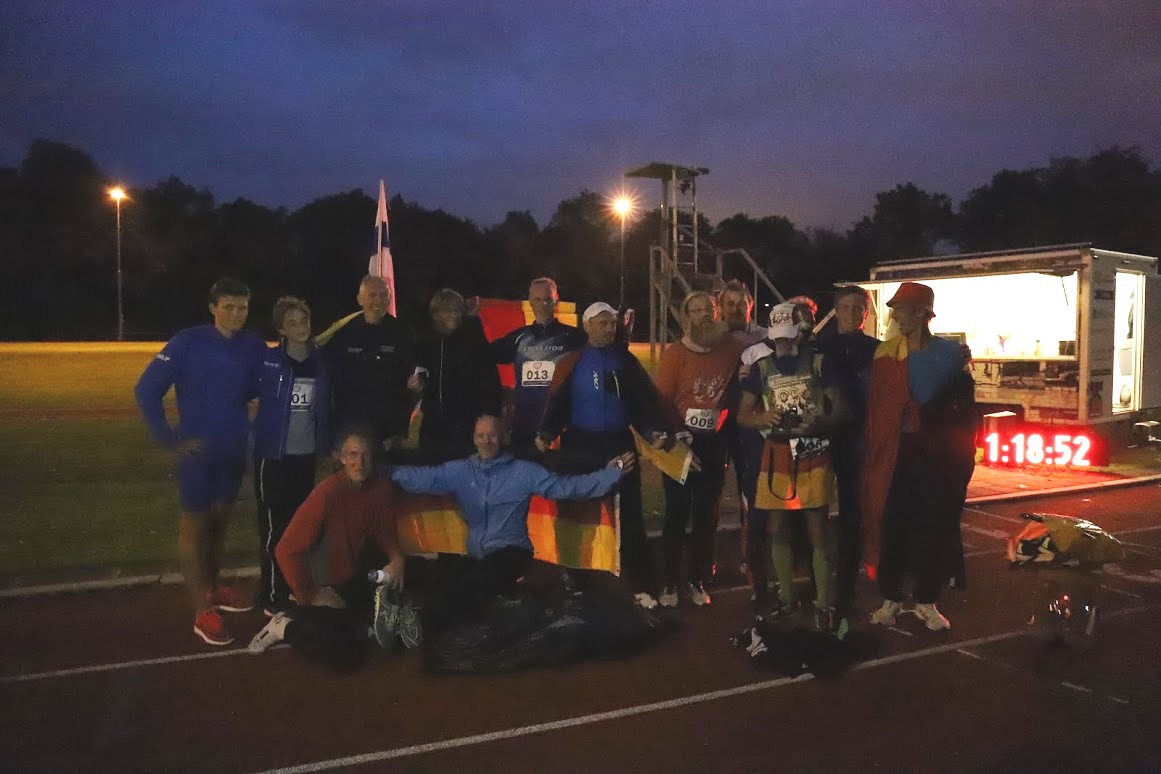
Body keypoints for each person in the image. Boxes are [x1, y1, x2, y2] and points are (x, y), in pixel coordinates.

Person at [390, 414, 634, 630]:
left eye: (492, 435)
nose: (486, 441)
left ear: (503, 437)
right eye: (481, 436)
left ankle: (439, 622)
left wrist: (609, 474)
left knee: (469, 589)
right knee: (450, 585)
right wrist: (381, 471)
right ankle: (422, 622)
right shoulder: (460, 471)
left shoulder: (523, 472)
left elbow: (567, 487)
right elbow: (421, 478)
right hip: (477, 557)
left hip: (512, 553)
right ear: (474, 439)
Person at [135, 277, 267, 646]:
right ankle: (201, 611)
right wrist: (170, 439)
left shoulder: (254, 346)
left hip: (234, 450)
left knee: (219, 522)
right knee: (194, 526)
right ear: (213, 308)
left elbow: (265, 385)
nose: (236, 314)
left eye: (242, 307)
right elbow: (146, 390)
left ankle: (212, 587)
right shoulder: (187, 342)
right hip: (198, 453)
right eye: (229, 307)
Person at [537, 302, 672, 609]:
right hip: (579, 446)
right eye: (603, 323)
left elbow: (643, 402)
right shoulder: (571, 362)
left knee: (630, 516)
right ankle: (578, 578)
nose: (610, 329)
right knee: (578, 513)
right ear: (587, 326)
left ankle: (639, 584)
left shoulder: (625, 361)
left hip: (618, 443)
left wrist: (652, 431)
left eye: (612, 324)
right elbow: (557, 402)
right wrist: (546, 432)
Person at [862, 282, 976, 631]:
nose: (895, 315)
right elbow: (878, 407)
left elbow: (966, 407)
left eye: (902, 309)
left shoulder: (952, 354)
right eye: (895, 309)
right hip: (897, 451)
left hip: (936, 453)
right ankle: (891, 597)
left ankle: (927, 600)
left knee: (934, 525)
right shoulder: (885, 353)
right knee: (892, 522)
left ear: (923, 314)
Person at [248, 430, 407, 668]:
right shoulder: (326, 494)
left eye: (365, 455)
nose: (360, 462)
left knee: (410, 595)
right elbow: (285, 550)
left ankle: (359, 620)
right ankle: (285, 626)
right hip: (323, 586)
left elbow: (384, 530)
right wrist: (310, 594)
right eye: (353, 455)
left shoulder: (379, 489)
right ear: (342, 458)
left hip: (353, 578)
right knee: (344, 656)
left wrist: (397, 558)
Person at [737, 300, 847, 632]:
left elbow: (841, 409)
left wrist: (821, 422)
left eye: (790, 334)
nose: (785, 341)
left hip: (814, 451)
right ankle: (786, 596)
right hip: (777, 454)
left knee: (817, 529)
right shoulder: (762, 368)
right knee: (779, 527)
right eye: (780, 336)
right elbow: (743, 415)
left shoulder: (819, 362)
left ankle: (824, 603)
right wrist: (763, 418)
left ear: (802, 330)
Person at [654, 292, 746, 608]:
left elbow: (760, 352)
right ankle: (669, 580)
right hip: (678, 441)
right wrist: (678, 437)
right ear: (686, 317)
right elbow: (662, 401)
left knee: (707, 514)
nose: (704, 314)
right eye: (696, 310)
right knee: (677, 512)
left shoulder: (731, 348)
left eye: (709, 309)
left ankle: (698, 578)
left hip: (713, 443)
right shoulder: (676, 354)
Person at [251, 296, 333, 617]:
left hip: (306, 457)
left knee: (300, 527)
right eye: (293, 323)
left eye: (304, 321)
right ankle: (272, 596)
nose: (301, 328)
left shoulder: (322, 361)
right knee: (274, 527)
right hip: (272, 456)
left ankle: (296, 587)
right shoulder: (269, 360)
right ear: (281, 329)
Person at [815, 286, 879, 638]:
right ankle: (817, 586)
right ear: (835, 310)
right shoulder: (818, 346)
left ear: (866, 314)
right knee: (814, 514)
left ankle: (845, 591)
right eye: (845, 307)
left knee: (853, 516)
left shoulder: (878, 350)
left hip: (858, 441)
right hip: (820, 439)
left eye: (858, 308)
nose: (852, 313)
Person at [322, 276, 417, 456]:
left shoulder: (402, 333)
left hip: (388, 431)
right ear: (360, 299)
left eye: (383, 295)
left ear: (390, 298)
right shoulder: (344, 333)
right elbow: (330, 382)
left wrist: (399, 431)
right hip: (351, 427)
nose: (378, 301)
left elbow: (410, 384)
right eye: (372, 295)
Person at [490, 277, 587, 450]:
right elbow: (482, 355)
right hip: (523, 430)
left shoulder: (575, 337)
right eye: (537, 299)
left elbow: (603, 356)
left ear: (556, 300)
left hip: (561, 432)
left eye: (548, 299)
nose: (542, 305)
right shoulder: (518, 338)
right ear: (530, 301)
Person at [412, 289, 504, 462]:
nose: (454, 315)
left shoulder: (472, 339)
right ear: (435, 314)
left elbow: (489, 377)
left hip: (466, 425)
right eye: (448, 310)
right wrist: (417, 381)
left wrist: (492, 414)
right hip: (433, 424)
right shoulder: (426, 341)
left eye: (457, 310)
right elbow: (419, 367)